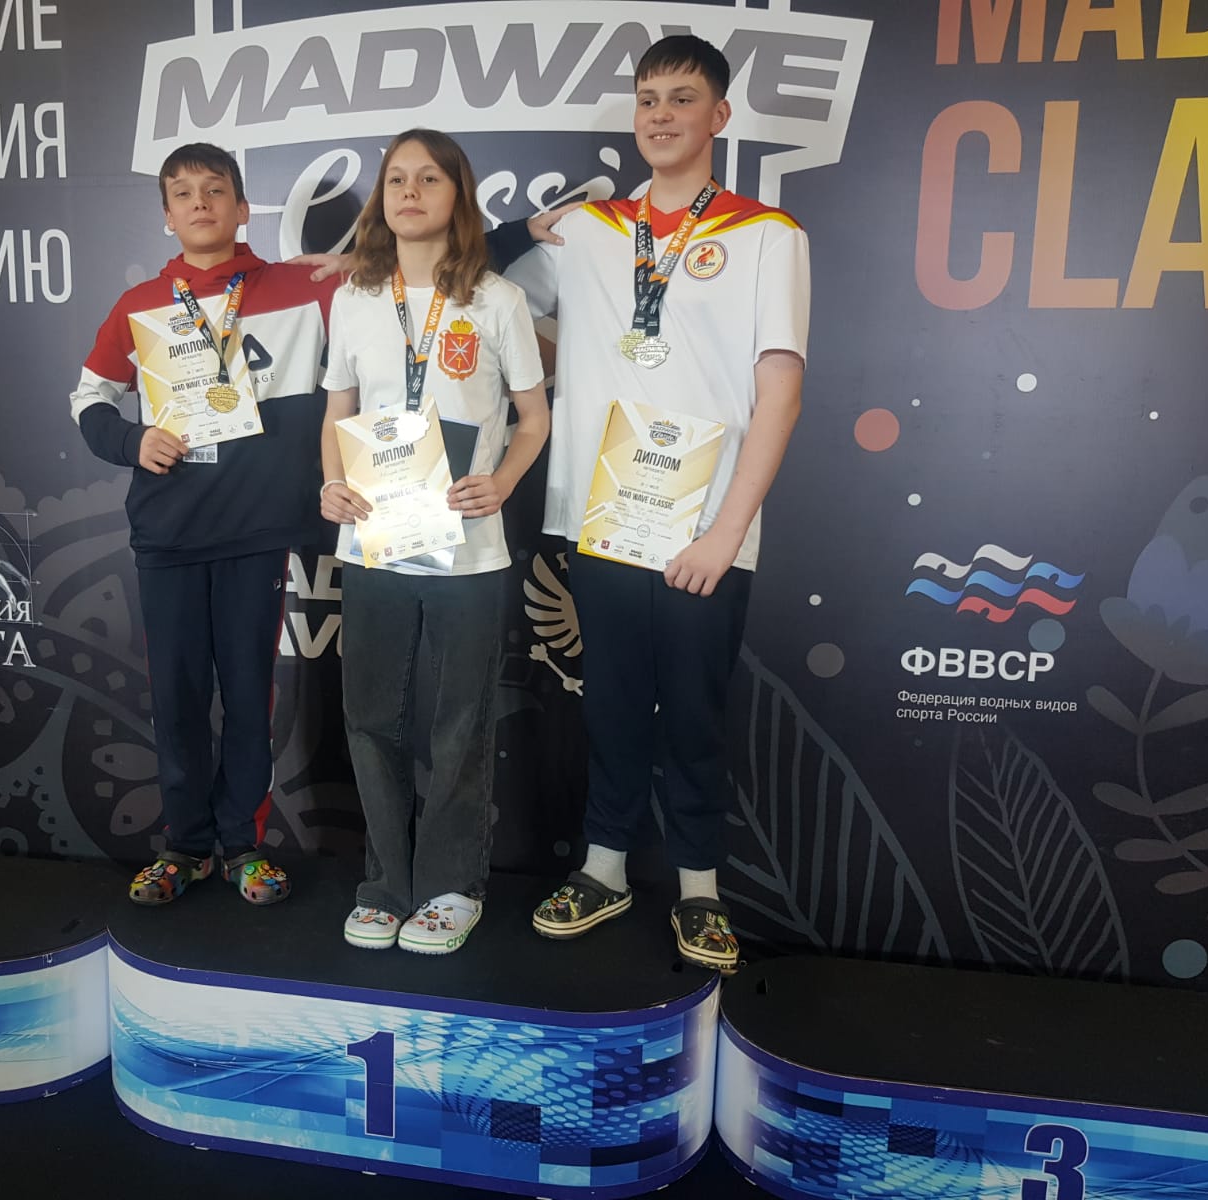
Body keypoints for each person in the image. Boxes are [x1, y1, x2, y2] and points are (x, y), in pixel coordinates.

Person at [501, 35, 810, 971]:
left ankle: (700, 889)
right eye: (647, 99)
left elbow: (780, 389)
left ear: (719, 116)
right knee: (612, 703)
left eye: (682, 98)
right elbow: (497, 312)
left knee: (696, 713)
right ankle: (603, 870)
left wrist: (727, 531)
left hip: (705, 529)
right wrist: (536, 249)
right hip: (607, 515)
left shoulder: (768, 235)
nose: (661, 115)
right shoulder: (589, 230)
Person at [70, 143, 338, 907]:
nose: (199, 203)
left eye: (215, 190)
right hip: (170, 531)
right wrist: (132, 440)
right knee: (179, 699)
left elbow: (419, 281)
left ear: (243, 208)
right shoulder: (140, 305)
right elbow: (88, 399)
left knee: (249, 695)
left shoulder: (304, 289)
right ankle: (185, 847)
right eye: (182, 193)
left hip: (256, 530)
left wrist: (359, 265)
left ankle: (242, 847)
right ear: (166, 215)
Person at [320, 129, 549, 955]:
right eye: (396, 179)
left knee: (458, 723)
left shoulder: (497, 300)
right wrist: (330, 484)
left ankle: (453, 887)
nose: (410, 192)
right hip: (374, 543)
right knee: (370, 718)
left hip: (469, 550)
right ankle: (386, 884)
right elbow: (338, 410)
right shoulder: (354, 298)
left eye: (428, 179)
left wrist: (504, 482)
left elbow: (534, 418)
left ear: (458, 196)